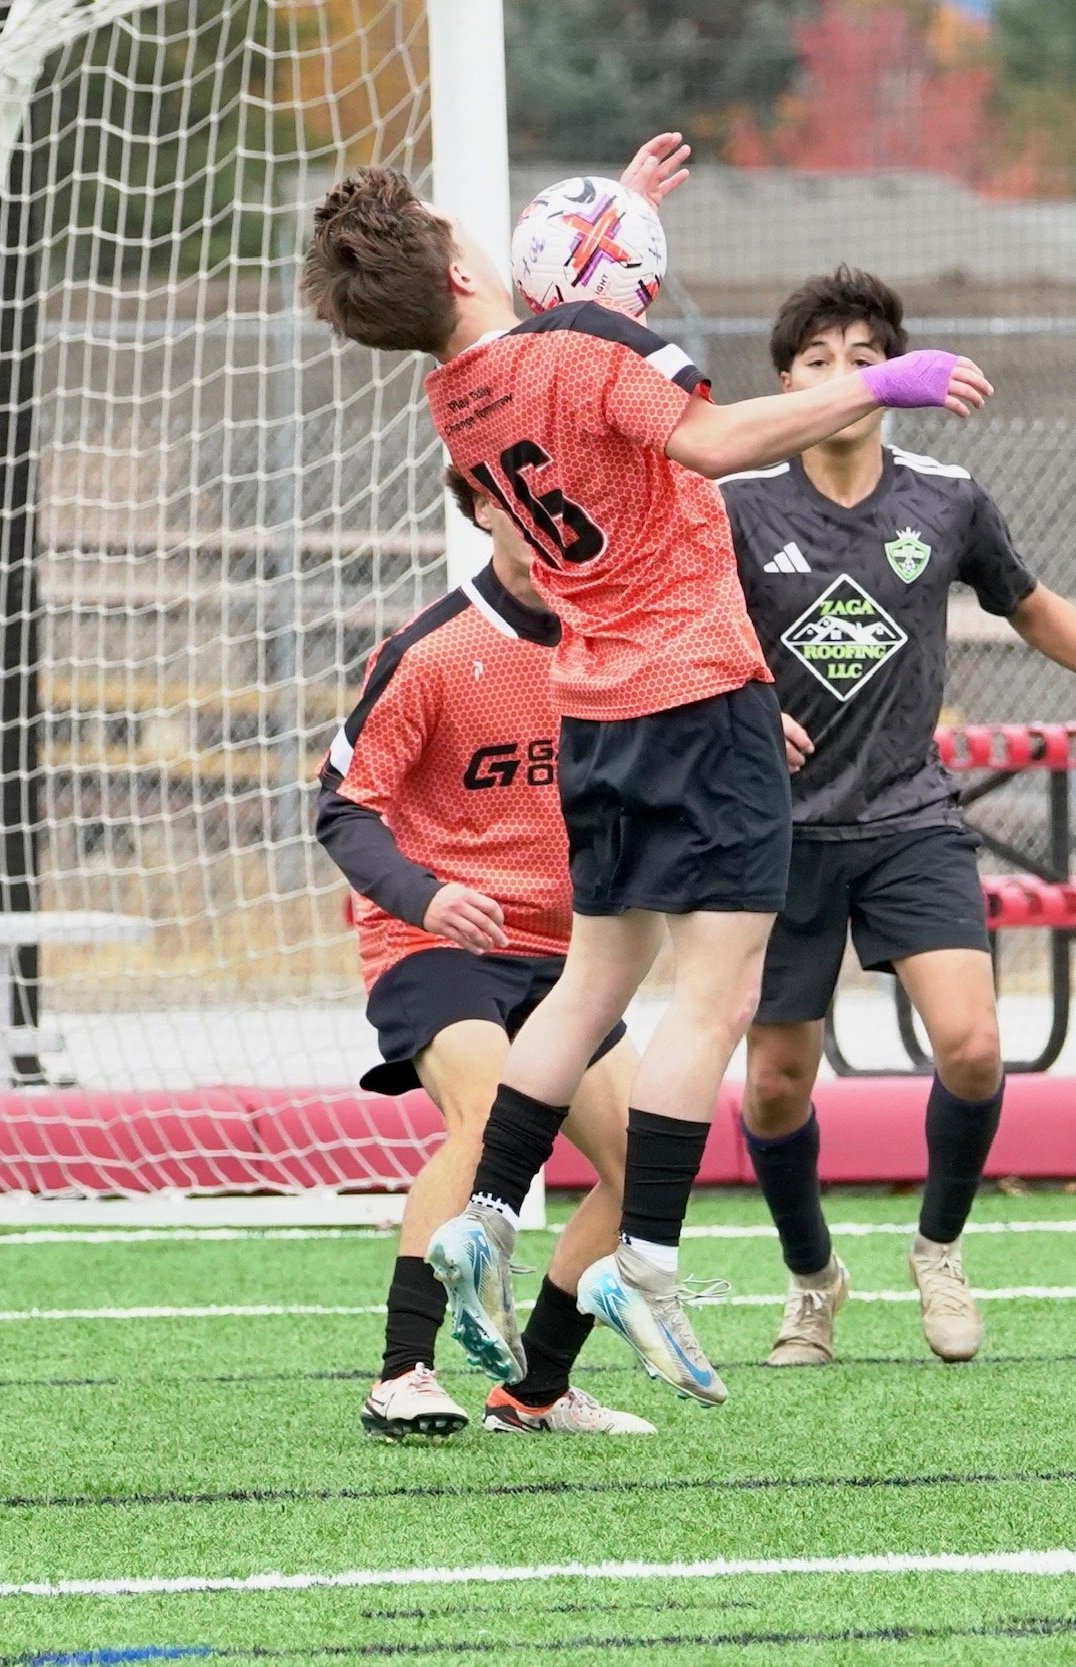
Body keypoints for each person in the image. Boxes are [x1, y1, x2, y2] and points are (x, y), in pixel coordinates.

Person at [302, 134, 992, 1408]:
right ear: (464, 260)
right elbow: (718, 441)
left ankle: (484, 1218)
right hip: (699, 690)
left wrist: (615, 219)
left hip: (594, 708)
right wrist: (880, 380)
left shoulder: (453, 394)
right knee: (713, 999)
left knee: (593, 978)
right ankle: (650, 1259)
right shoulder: (579, 350)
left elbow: (563, 346)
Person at [723, 267, 1076, 1366]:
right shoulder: (736, 505)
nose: (842, 377)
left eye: (862, 357)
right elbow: (684, 636)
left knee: (975, 1048)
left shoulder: (944, 496)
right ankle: (809, 1280)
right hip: (776, 833)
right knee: (775, 1081)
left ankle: (936, 1249)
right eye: (815, 361)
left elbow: (1028, 606)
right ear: (784, 383)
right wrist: (742, 708)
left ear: (896, 374)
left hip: (908, 819)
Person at [319, 468, 653, 1441]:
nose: (548, 518)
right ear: (482, 510)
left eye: (565, 497)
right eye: (520, 497)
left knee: (645, 1159)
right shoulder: (429, 650)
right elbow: (342, 809)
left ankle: (534, 1388)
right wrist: (428, 893)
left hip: (566, 952)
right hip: (433, 937)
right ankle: (401, 1372)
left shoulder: (617, 647)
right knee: (487, 1110)